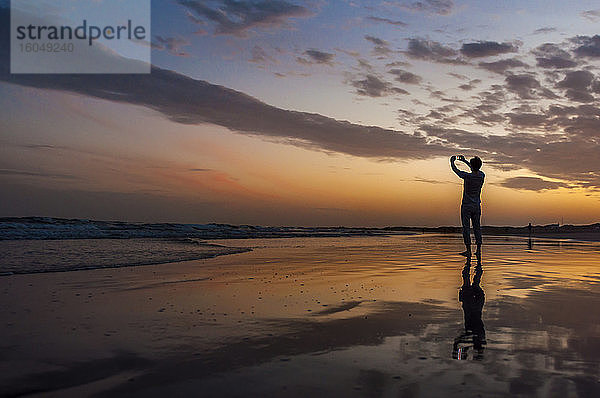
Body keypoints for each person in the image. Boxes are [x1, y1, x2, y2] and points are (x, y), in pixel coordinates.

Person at [450, 155, 485, 257]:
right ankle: (478, 250)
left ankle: (468, 250)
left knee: (466, 228)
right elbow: (474, 168)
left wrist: (452, 162)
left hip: (466, 205)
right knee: (477, 227)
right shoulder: (482, 175)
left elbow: (456, 170)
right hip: (477, 206)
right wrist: (465, 161)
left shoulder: (467, 176)